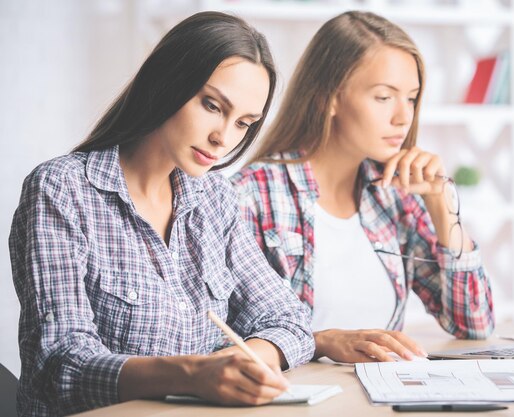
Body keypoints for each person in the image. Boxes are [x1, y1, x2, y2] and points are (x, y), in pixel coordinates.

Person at [9, 12, 314, 417]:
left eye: (243, 123)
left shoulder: (215, 199)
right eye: (211, 105)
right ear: (168, 83)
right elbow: (60, 363)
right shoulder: (61, 189)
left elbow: (289, 318)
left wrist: (249, 361)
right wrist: (191, 374)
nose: (223, 138)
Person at [231, 11, 495, 364]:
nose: (404, 117)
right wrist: (320, 341)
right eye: (384, 97)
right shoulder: (251, 195)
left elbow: (475, 324)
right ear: (330, 98)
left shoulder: (395, 197)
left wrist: (442, 208)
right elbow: (224, 336)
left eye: (412, 98)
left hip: (384, 397)